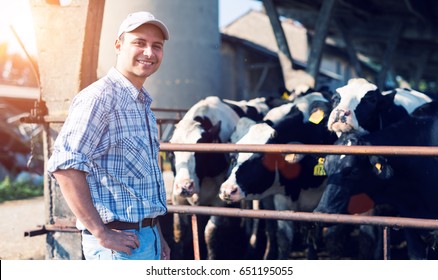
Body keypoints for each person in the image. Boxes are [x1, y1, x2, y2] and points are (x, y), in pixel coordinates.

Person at [47, 11, 171, 260]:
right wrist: (100, 232)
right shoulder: (99, 99)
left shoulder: (142, 104)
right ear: (118, 45)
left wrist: (158, 237)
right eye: (139, 42)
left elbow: (140, 186)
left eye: (156, 46)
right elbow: (65, 166)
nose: (149, 52)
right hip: (118, 248)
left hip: (148, 237)